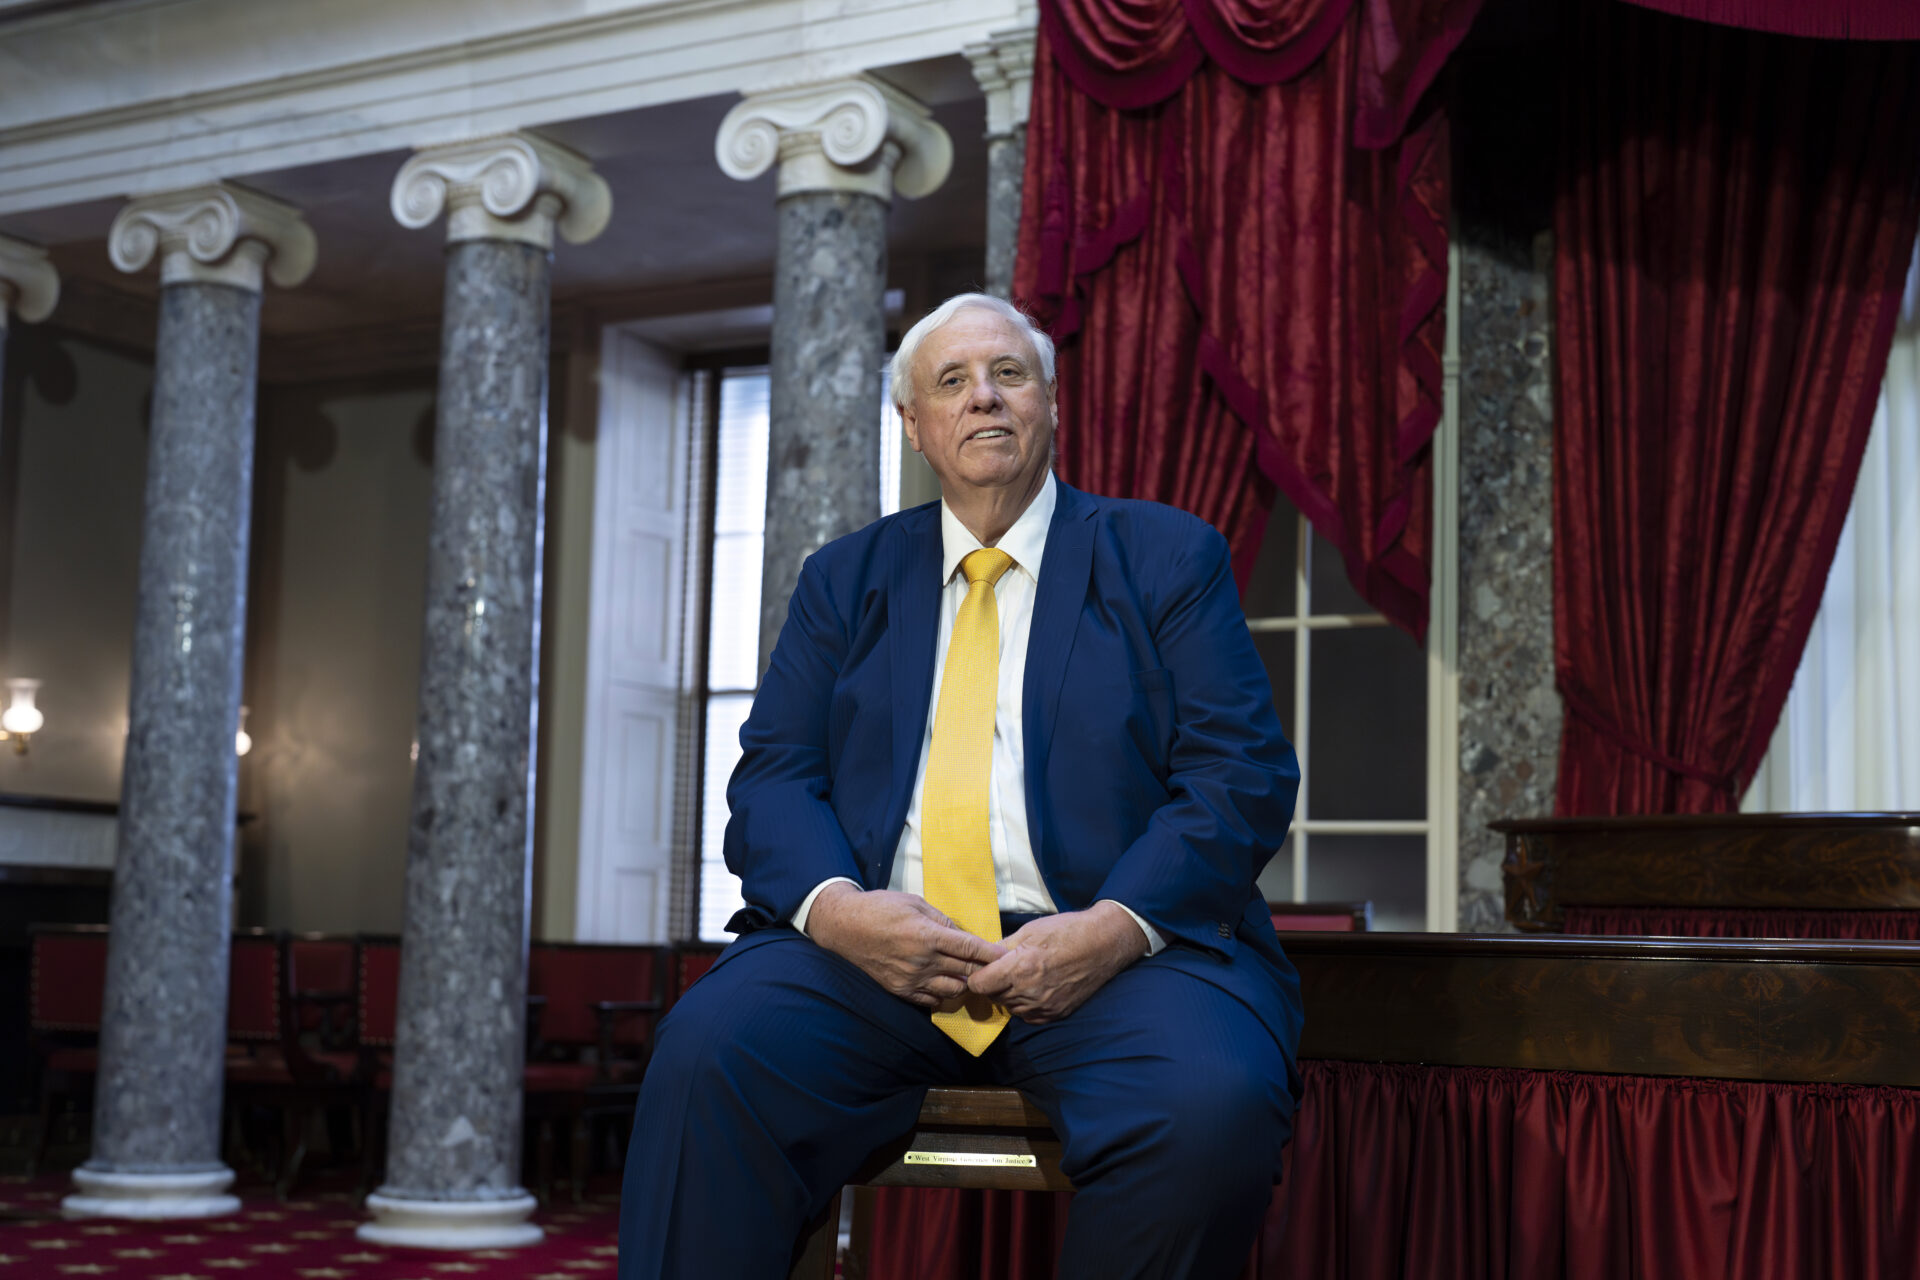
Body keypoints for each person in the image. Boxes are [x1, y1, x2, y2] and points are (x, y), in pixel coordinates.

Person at [619, 293, 1302, 1279]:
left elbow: (1239, 774)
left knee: (1207, 1104)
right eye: (951, 381)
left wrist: (1109, 927)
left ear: (1051, 402)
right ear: (914, 424)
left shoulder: (1165, 555)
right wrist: (840, 911)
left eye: (1008, 373)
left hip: (1117, 954)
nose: (983, 397)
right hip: (873, 958)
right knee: (707, 1055)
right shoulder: (842, 580)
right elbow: (773, 777)